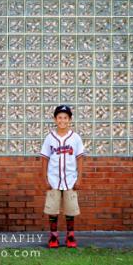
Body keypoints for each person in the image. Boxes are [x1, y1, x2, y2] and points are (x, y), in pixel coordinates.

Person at [40, 104, 86, 248]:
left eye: (65, 117)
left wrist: (80, 178)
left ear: (70, 119)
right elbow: (44, 159)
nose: (62, 120)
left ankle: (70, 236)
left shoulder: (75, 138)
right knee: (52, 209)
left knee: (70, 209)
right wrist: (44, 178)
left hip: (70, 179)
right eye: (59, 117)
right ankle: (53, 237)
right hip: (53, 179)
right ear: (55, 119)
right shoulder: (50, 138)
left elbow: (80, 159)